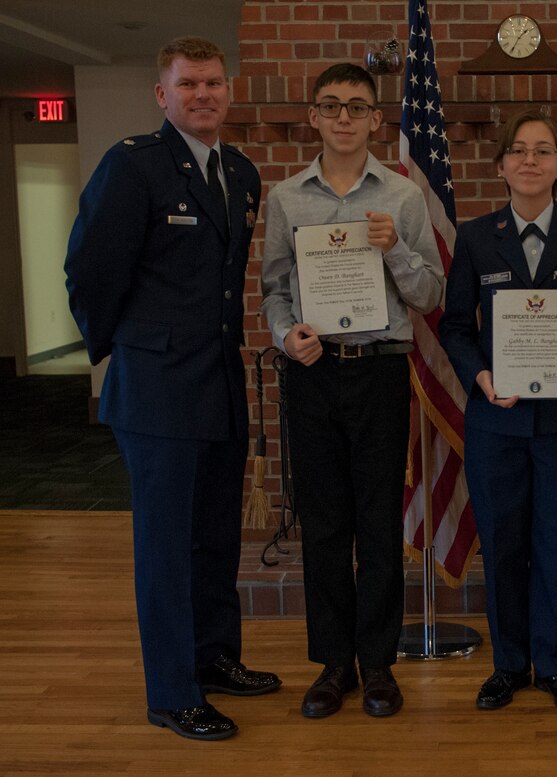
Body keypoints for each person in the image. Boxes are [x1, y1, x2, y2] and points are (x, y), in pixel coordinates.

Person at [64, 36, 281, 741]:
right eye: (188, 84)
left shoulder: (242, 173)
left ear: (229, 91)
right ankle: (172, 692)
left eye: (214, 83)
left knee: (215, 536)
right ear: (163, 94)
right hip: (157, 390)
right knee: (165, 546)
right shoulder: (133, 168)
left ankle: (214, 658)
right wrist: (124, 352)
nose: (204, 95)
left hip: (218, 382)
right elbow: (90, 272)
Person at [260, 63, 443, 719]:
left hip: (380, 368)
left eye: (356, 106)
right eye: (331, 105)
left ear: (375, 119)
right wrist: (286, 337)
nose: (343, 117)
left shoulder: (402, 198)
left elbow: (430, 295)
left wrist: (395, 250)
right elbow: (275, 291)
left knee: (377, 520)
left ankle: (378, 664)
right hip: (312, 371)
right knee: (327, 524)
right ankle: (333, 663)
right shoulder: (286, 199)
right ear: (312, 115)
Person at [439, 110, 557, 714]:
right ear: (501, 166)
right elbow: (456, 328)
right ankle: (509, 665)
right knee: (504, 543)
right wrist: (482, 377)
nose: (530, 161)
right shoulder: (474, 236)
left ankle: (555, 665)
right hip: (498, 420)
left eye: (544, 151)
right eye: (518, 151)